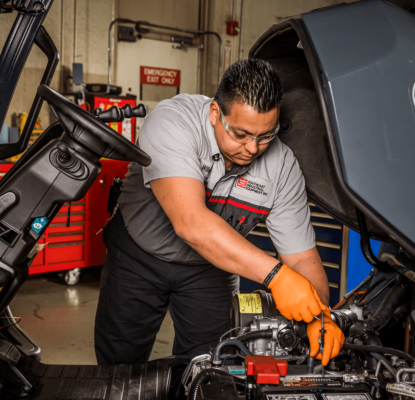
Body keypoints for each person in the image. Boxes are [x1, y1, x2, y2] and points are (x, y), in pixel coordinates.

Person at [94, 59, 344, 366]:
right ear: (216, 114)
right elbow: (192, 224)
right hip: (137, 258)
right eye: (241, 134)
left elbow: (303, 257)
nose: (253, 148)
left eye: (266, 135)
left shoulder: (283, 165)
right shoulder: (173, 121)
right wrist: (278, 278)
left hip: (210, 270)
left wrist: (319, 315)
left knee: (212, 368)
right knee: (119, 367)